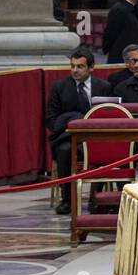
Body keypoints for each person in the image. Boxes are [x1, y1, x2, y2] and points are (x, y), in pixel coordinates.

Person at [46, 48, 112, 214]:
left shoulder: (104, 87)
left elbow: (109, 114)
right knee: (64, 151)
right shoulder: (59, 87)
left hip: (96, 137)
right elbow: (51, 119)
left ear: (91, 68)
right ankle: (67, 199)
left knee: (104, 152)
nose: (75, 70)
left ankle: (96, 199)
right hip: (68, 137)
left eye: (80, 66)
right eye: (73, 66)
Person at [102, 0, 138, 64]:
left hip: (134, 54)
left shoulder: (133, 8)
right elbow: (111, 32)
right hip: (121, 55)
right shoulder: (119, 9)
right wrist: (107, 49)